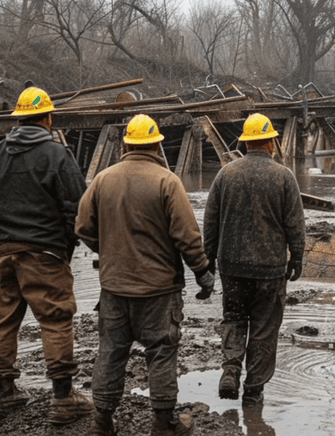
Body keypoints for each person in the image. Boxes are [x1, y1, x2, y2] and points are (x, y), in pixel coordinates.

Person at [76, 114, 214, 436]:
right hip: (159, 291)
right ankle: (163, 424)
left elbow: (82, 226)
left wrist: (109, 250)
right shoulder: (168, 181)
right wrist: (203, 272)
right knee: (162, 353)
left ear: (125, 143)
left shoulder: (102, 179)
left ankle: (102, 422)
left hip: (114, 289)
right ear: (156, 145)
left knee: (110, 353)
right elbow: (188, 237)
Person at [0, 87, 93, 424]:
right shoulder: (58, 156)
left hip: (2, 254)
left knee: (2, 320)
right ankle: (64, 398)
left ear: (18, 119)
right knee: (55, 320)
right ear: (48, 119)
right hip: (45, 253)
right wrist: (64, 245)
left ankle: (2, 393)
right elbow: (78, 210)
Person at [202, 113, 305, 408]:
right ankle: (253, 390)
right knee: (263, 327)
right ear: (271, 142)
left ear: (246, 143)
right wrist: (296, 257)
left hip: (232, 267)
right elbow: (295, 224)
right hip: (270, 269)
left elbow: (210, 221)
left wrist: (208, 258)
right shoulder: (284, 177)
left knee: (234, 319)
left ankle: (231, 370)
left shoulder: (226, 175)